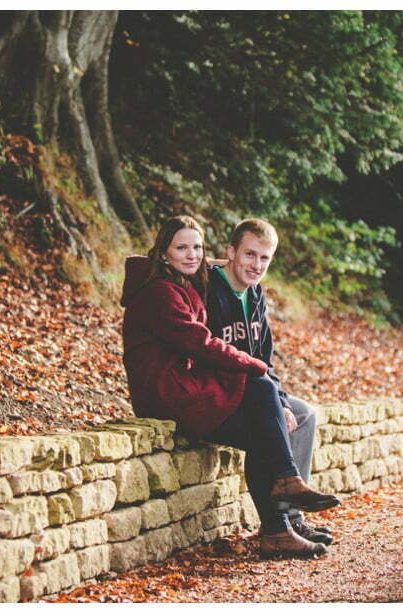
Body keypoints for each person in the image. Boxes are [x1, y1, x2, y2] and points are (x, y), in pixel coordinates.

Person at [120, 215, 339, 558]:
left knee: (267, 427)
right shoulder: (163, 293)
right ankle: (287, 485)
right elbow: (201, 343)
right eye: (181, 248)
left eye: (196, 248)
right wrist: (256, 368)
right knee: (262, 393)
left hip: (187, 387)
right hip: (170, 392)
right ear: (163, 253)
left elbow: (202, 265)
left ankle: (278, 529)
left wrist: (261, 373)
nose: (191, 255)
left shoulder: (183, 281)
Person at [205, 218, 334, 547]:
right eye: (250, 254)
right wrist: (272, 403)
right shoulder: (209, 290)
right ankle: (275, 528)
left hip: (257, 393)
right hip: (219, 395)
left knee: (304, 414)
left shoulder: (256, 294)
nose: (256, 265)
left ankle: (292, 518)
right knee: (268, 428)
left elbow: (265, 360)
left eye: (264, 258)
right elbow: (209, 355)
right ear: (230, 252)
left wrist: (283, 401)